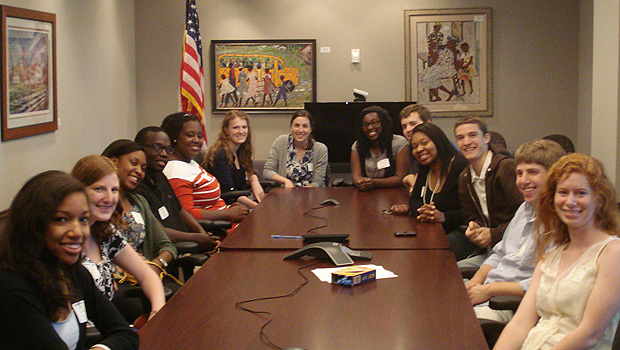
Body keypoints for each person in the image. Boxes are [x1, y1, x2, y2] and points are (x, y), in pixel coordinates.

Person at [0, 170, 139, 349]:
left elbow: (125, 334)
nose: (77, 232)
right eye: (61, 219)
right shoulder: (10, 286)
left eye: (83, 219)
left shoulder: (72, 272)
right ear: (34, 224)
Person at [494, 153, 620, 349]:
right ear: (552, 199)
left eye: (580, 193)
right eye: (563, 192)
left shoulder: (612, 253)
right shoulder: (551, 255)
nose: (570, 202)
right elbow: (520, 324)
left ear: (599, 199)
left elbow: (590, 335)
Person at [465, 139, 565, 324]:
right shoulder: (524, 209)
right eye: (519, 173)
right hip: (486, 290)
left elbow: (543, 285)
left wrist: (490, 290)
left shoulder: (561, 223)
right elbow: (499, 253)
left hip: (508, 305)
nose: (523, 181)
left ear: (554, 176)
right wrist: (476, 281)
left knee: (451, 326)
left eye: (533, 172)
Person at [71, 155, 166, 322]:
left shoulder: (105, 232)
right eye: (99, 189)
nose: (109, 198)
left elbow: (147, 275)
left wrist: (157, 313)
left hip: (108, 333)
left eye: (114, 190)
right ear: (79, 190)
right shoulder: (67, 240)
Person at [134, 126, 221, 249]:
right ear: (139, 148)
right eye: (157, 148)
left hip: (187, 243)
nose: (164, 154)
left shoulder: (160, 177)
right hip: (168, 249)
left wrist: (203, 234)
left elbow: (181, 210)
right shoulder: (137, 187)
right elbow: (159, 232)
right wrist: (197, 238)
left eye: (168, 149)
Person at [390, 123, 468, 258]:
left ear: (438, 141)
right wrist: (424, 211)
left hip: (461, 233)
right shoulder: (426, 168)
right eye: (414, 147)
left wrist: (443, 216)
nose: (419, 149)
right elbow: (414, 201)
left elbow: (471, 211)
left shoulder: (459, 166)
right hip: (432, 231)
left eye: (424, 143)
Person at [455, 116, 523, 266]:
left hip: (516, 250)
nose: (466, 142)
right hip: (491, 250)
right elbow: (472, 215)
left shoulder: (506, 168)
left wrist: (494, 235)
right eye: (460, 138)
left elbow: (525, 216)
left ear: (486, 138)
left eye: (473, 135)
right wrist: (475, 227)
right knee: (452, 270)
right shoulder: (464, 177)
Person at [101, 140, 178, 270]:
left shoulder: (138, 202)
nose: (139, 171)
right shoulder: (98, 204)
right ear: (113, 162)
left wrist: (157, 265)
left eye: (143, 168)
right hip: (114, 280)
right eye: (133, 163)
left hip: (143, 276)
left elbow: (167, 245)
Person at [160, 112, 249, 225]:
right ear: (174, 137)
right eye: (190, 135)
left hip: (225, 218)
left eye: (200, 136)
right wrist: (228, 213)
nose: (197, 140)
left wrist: (231, 209)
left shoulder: (188, 162)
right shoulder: (176, 171)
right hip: (217, 228)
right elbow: (186, 215)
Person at [205, 110, 265, 208]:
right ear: (226, 131)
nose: (241, 131)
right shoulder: (219, 154)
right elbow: (229, 193)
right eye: (236, 128)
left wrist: (254, 179)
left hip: (240, 203)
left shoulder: (241, 151)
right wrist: (258, 207)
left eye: (244, 127)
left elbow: (250, 172)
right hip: (224, 207)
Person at [263, 110, 328, 187]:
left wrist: (301, 194)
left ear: (310, 129)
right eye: (297, 125)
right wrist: (285, 181)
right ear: (291, 127)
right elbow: (267, 171)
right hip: (286, 193)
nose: (300, 130)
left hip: (311, 193)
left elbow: (318, 182)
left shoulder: (320, 149)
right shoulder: (281, 142)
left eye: (305, 126)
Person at [351, 106, 410, 191]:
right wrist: (360, 182)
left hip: (394, 193)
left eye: (374, 123)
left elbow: (401, 177)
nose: (370, 127)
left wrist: (374, 183)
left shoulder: (399, 143)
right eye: (365, 125)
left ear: (383, 123)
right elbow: (356, 177)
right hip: (365, 194)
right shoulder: (357, 146)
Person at [398, 104, 433, 190]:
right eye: (404, 127)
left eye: (413, 124)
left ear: (427, 123)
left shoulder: (438, 145)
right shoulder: (408, 148)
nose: (408, 130)